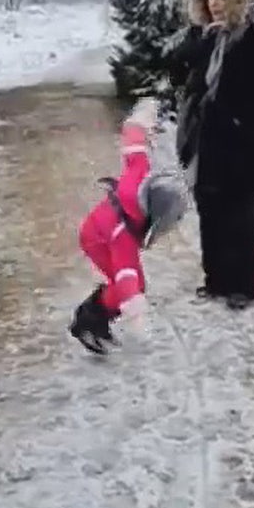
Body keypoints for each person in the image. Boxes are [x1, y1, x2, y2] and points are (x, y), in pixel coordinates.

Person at [168, 0, 254, 311]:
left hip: (242, 143)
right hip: (206, 142)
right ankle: (216, 279)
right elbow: (175, 75)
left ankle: (242, 284)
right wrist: (196, 45)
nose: (215, 3)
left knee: (241, 214)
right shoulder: (200, 40)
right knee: (211, 211)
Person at [70, 97, 189, 354]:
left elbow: (134, 143)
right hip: (97, 238)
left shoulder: (141, 177)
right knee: (127, 287)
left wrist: (146, 115)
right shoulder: (123, 233)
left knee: (131, 286)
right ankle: (88, 322)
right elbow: (127, 275)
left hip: (103, 228)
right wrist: (137, 315)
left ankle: (96, 316)